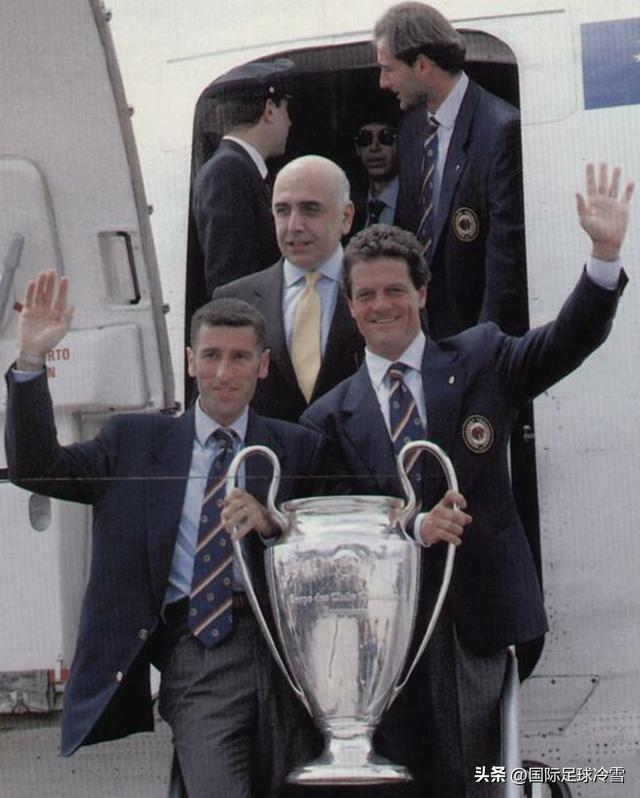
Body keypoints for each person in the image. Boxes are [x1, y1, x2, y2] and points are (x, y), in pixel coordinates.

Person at [301, 164, 634, 796]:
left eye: (394, 290)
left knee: (481, 776)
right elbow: (337, 530)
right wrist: (412, 527)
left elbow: (568, 341)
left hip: (476, 621)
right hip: (384, 639)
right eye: (366, 295)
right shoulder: (328, 417)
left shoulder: (481, 357)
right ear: (350, 306)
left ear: (422, 293)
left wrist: (603, 257)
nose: (381, 306)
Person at [4, 273, 324, 798]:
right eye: (212, 356)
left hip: (289, 653)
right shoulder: (133, 442)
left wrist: (275, 525)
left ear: (263, 365)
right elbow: (37, 468)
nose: (224, 373)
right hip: (201, 649)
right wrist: (32, 359)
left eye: (240, 358)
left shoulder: (297, 448)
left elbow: (328, 548)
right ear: (191, 361)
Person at [374, 1, 528, 339]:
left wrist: (482, 352)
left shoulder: (500, 130)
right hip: (424, 338)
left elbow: (505, 266)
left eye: (388, 69)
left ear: (422, 65)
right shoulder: (412, 128)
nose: (383, 82)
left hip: (476, 341)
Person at [214, 154, 364, 422]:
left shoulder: (384, 296)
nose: (294, 226)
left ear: (346, 217)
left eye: (310, 209)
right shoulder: (235, 300)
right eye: (282, 210)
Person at [189, 58, 294, 305]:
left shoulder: (238, 167)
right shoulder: (228, 171)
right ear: (269, 110)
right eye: (286, 111)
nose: (290, 122)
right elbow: (230, 281)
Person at [352, 119, 399, 231]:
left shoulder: (420, 203)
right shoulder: (351, 208)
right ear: (358, 148)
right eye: (365, 139)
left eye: (386, 137)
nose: (374, 147)